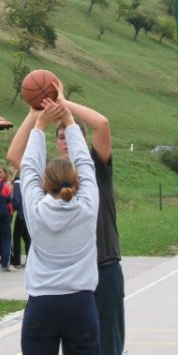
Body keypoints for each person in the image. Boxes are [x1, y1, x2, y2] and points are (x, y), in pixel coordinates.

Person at [7, 80, 124, 355]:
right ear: (58, 143)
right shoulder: (54, 177)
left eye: (68, 136)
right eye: (59, 137)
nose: (64, 141)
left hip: (103, 266)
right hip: (76, 285)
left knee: (108, 347)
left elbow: (102, 124)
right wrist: (36, 109)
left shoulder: (95, 167)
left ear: (82, 141)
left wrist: (58, 105)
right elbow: (15, 155)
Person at [19, 97, 100, 354]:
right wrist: (69, 120)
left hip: (42, 304)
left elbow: (28, 167)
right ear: (76, 183)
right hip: (80, 303)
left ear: (45, 184)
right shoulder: (87, 207)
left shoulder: (35, 210)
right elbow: (86, 165)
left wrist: (39, 124)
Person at [10, 169, 31, 268]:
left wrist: (12, 208)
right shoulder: (27, 182)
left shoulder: (17, 183)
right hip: (28, 213)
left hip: (21, 214)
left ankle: (17, 261)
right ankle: (30, 260)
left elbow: (16, 199)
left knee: (16, 237)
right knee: (27, 238)